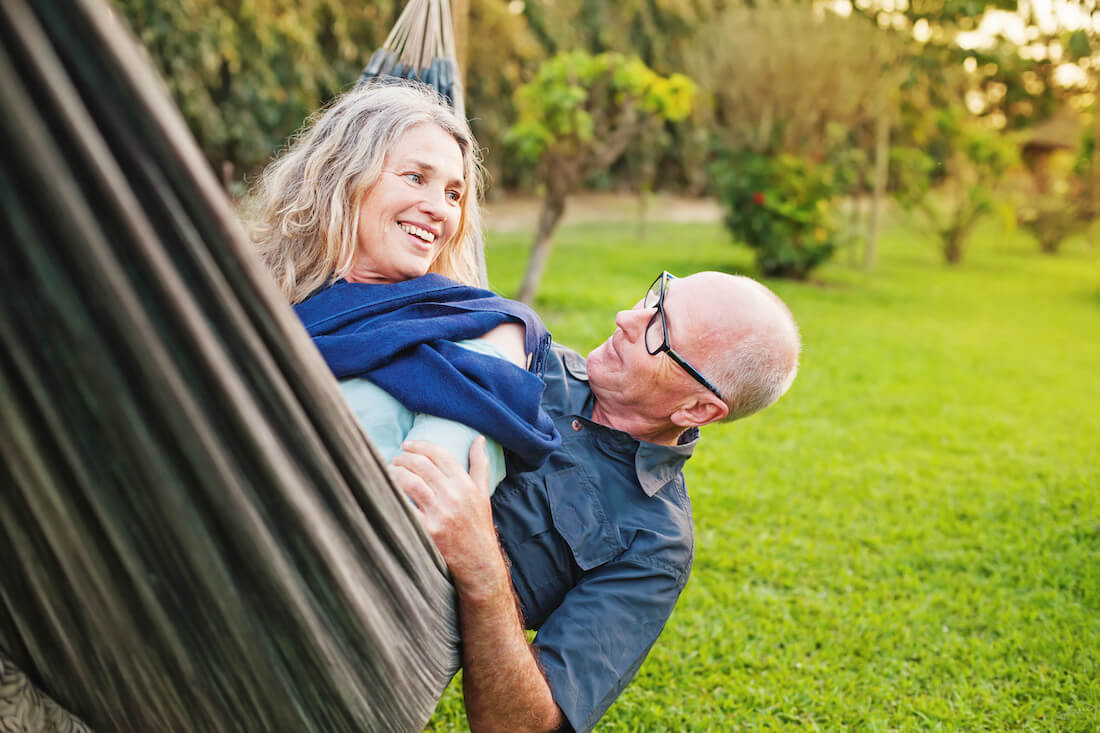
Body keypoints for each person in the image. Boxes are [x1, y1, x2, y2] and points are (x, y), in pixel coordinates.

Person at [391, 270, 801, 733]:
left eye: (659, 330)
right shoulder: (524, 352)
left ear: (697, 410)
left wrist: (483, 565)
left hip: (376, 631)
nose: (627, 317)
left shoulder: (654, 546)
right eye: (655, 298)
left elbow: (523, 727)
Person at [248, 82, 558, 489]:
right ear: (343, 174)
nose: (439, 210)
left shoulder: (486, 328)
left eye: (453, 194)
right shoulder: (251, 302)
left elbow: (428, 503)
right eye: (415, 177)